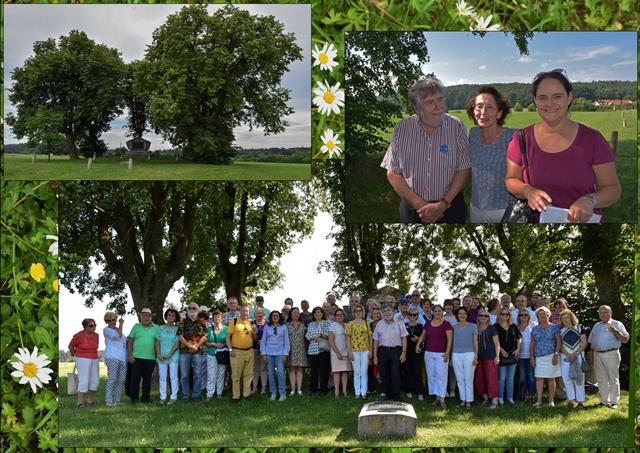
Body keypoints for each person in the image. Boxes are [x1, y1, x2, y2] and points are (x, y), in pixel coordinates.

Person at [505, 68, 621, 223]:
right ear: (535, 100)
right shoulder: (522, 138)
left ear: (569, 97)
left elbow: (613, 189)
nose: (550, 103)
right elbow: (511, 180)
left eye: (557, 96)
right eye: (543, 97)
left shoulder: (593, 140)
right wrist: (527, 191)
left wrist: (590, 200)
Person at [381, 76, 471, 223]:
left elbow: (463, 168)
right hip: (414, 210)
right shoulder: (402, 129)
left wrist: (443, 204)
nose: (439, 106)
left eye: (440, 99)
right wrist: (420, 205)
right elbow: (393, 172)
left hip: (451, 207)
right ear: (417, 109)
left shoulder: (456, 126)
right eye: (430, 102)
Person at [466, 86, 517, 222]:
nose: (483, 112)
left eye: (489, 107)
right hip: (476, 208)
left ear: (499, 113)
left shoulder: (513, 137)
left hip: (504, 210)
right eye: (479, 106)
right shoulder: (473, 134)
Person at [588, 304, 629, 409]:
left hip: (612, 353)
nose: (603, 314)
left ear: (610, 313)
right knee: (601, 378)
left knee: (613, 378)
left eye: (606, 312)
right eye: (601, 312)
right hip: (598, 354)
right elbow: (591, 342)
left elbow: (625, 339)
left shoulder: (617, 324)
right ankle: (604, 400)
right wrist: (593, 357)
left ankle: (614, 401)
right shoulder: (596, 326)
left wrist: (615, 331)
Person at [416, 304, 453, 408]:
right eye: (435, 311)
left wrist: (447, 353)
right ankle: (436, 398)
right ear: (433, 312)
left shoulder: (447, 324)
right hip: (429, 353)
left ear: (442, 312)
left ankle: (442, 399)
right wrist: (418, 345)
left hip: (441, 354)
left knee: (441, 376)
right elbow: (423, 336)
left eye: (439, 311)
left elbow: (450, 340)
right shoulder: (428, 324)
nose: (437, 313)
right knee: (432, 376)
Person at [373, 303, 408, 401]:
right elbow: (375, 341)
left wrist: (404, 352)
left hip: (396, 351)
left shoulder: (399, 323)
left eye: (389, 310)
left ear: (393, 311)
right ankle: (388, 395)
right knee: (384, 374)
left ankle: (396, 396)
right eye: (385, 311)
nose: (387, 312)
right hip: (383, 351)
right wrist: (375, 356)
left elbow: (404, 337)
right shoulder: (379, 324)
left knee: (395, 373)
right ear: (382, 313)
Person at [530, 306, 562, 407]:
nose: (542, 316)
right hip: (539, 357)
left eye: (544, 314)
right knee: (539, 378)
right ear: (537, 317)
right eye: (540, 315)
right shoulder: (535, 329)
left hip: (551, 356)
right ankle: (539, 400)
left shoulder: (554, 327)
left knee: (551, 379)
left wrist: (556, 354)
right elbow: (532, 344)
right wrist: (532, 357)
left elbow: (559, 341)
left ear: (548, 315)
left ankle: (551, 400)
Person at [177, 302, 207, 402]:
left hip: (198, 352)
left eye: (194, 308)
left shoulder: (202, 322)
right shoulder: (183, 322)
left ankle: (196, 396)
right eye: (189, 308)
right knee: (184, 375)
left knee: (197, 375)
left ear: (198, 310)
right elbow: (180, 336)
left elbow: (205, 336)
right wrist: (190, 346)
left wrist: (196, 346)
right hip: (184, 352)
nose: (191, 309)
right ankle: (185, 396)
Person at [226, 304, 256, 402]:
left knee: (249, 374)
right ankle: (236, 396)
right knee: (236, 375)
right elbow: (227, 337)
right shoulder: (234, 321)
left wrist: (255, 332)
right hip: (236, 351)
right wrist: (230, 350)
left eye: (247, 311)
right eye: (243, 310)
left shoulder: (251, 323)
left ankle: (247, 394)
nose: (245, 312)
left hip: (249, 351)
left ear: (249, 312)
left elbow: (254, 338)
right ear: (240, 311)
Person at [127, 308, 158, 403]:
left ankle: (146, 398)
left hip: (151, 358)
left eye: (148, 316)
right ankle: (134, 398)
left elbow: (158, 342)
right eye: (143, 316)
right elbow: (130, 341)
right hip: (136, 357)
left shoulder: (157, 328)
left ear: (151, 317)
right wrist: (130, 355)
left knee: (147, 379)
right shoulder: (136, 327)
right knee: (135, 378)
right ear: (140, 316)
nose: (146, 318)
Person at [559, 309, 587, 409]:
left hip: (578, 356)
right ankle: (570, 401)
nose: (565, 320)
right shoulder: (560, 330)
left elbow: (584, 343)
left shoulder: (579, 328)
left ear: (571, 317)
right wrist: (568, 354)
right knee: (567, 379)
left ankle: (580, 402)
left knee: (579, 379)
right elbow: (560, 345)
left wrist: (576, 353)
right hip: (565, 357)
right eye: (563, 318)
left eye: (567, 317)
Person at [69, 318, 99, 408]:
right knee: (84, 380)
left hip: (94, 359)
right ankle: (80, 402)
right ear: (85, 327)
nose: (94, 327)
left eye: (95, 325)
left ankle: (90, 400)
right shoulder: (78, 336)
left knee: (95, 381)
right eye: (91, 325)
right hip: (82, 359)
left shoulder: (96, 335)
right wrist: (75, 356)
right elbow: (70, 346)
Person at [451, 307, 478, 408]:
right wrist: (450, 356)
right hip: (456, 354)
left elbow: (476, 342)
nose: (462, 315)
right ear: (457, 315)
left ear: (467, 315)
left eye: (464, 313)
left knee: (468, 378)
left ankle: (469, 400)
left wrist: (476, 355)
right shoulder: (454, 327)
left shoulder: (473, 326)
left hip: (469, 354)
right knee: (460, 379)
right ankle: (463, 399)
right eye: (460, 313)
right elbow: (452, 342)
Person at [260, 311, 290, 401]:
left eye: (277, 315)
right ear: (271, 317)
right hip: (269, 353)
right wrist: (263, 353)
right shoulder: (267, 327)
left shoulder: (284, 327)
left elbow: (287, 342)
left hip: (280, 353)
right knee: (271, 374)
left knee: (280, 373)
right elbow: (263, 341)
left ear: (280, 317)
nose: (275, 317)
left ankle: (282, 394)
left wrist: (285, 354)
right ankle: (273, 393)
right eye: (273, 316)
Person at [474, 309, 500, 409]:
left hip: (490, 356)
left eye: (485, 316)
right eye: (481, 315)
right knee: (478, 379)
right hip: (478, 357)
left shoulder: (491, 328)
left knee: (491, 379)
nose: (483, 317)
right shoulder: (475, 328)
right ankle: (485, 397)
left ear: (488, 318)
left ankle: (494, 401)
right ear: (478, 317)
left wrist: (497, 356)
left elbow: (497, 343)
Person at [346, 304, 373, 399]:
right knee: (357, 372)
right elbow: (348, 339)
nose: (358, 312)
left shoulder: (367, 323)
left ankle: (364, 392)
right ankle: (357, 392)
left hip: (365, 350)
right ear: (354, 313)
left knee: (364, 372)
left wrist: (371, 350)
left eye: (360, 311)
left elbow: (370, 338)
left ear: (362, 312)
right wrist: (349, 352)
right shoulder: (350, 324)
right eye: (356, 311)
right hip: (354, 351)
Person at [495, 308, 521, 405]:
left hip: (513, 355)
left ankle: (510, 398)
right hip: (501, 355)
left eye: (507, 314)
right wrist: (501, 351)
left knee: (510, 378)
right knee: (502, 378)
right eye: (503, 314)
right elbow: (495, 341)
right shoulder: (496, 326)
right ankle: (500, 397)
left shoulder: (513, 326)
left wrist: (518, 349)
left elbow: (519, 338)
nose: (505, 316)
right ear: (500, 315)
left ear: (510, 316)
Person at [155, 308, 180, 404]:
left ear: (175, 318)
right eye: (169, 314)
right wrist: (158, 354)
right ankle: (163, 397)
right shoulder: (160, 328)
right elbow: (157, 342)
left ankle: (173, 397)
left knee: (173, 377)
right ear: (166, 316)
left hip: (173, 356)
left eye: (173, 315)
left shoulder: (177, 329)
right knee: (162, 377)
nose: (170, 316)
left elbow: (177, 342)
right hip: (161, 356)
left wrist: (170, 354)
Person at [103, 312, 127, 407]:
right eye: (109, 320)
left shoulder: (118, 329)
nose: (112, 322)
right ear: (106, 321)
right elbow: (118, 337)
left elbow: (124, 341)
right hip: (112, 357)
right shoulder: (106, 330)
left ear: (116, 319)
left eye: (113, 319)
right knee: (112, 379)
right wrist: (121, 324)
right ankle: (108, 401)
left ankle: (117, 400)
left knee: (121, 379)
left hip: (122, 358)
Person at [305, 306, 331, 394]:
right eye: (315, 312)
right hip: (312, 351)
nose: (317, 314)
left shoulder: (327, 322)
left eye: (319, 312)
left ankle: (324, 389)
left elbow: (328, 334)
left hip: (323, 350)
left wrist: (319, 335)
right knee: (314, 371)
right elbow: (307, 336)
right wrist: (316, 337)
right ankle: (313, 389)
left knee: (324, 371)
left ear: (322, 313)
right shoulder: (310, 324)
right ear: (313, 314)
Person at [402, 307, 425, 401]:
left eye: (414, 314)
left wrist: (418, 339)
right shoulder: (404, 325)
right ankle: (409, 390)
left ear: (417, 316)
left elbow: (424, 338)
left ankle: (420, 392)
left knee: (417, 371)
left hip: (416, 352)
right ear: (408, 315)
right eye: (410, 314)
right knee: (407, 371)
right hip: (407, 351)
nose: (412, 316)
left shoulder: (420, 326)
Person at [329, 308, 352, 397]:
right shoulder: (333, 325)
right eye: (338, 315)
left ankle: (345, 391)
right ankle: (337, 392)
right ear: (335, 317)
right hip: (336, 353)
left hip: (346, 352)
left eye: (341, 315)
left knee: (345, 372)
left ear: (344, 316)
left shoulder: (347, 325)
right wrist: (337, 352)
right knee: (337, 372)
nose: (340, 316)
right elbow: (331, 340)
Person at [205, 310, 228, 400]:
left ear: (222, 318)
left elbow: (229, 341)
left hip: (222, 354)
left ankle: (219, 393)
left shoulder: (226, 329)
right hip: (211, 354)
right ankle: (210, 394)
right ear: (212, 318)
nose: (217, 318)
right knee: (211, 374)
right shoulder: (209, 329)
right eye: (215, 317)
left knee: (221, 374)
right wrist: (214, 344)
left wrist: (224, 344)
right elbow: (205, 342)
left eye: (218, 317)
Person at [287, 307, 308, 396]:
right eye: (294, 313)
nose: (296, 314)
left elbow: (307, 337)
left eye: (297, 313)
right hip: (290, 350)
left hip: (301, 350)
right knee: (292, 369)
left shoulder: (303, 325)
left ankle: (299, 389)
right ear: (291, 315)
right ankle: (292, 389)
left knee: (300, 369)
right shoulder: (286, 325)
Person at [516, 309, 536, 401]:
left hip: (531, 355)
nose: (523, 316)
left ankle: (532, 395)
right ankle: (523, 395)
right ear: (519, 317)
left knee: (531, 376)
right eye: (521, 315)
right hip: (520, 357)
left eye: (525, 315)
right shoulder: (516, 327)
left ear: (529, 316)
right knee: (522, 377)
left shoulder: (534, 325)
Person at [252, 308, 268, 395]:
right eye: (257, 313)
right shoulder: (251, 323)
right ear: (254, 315)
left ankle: (263, 387)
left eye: (261, 313)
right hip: (254, 348)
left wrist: (263, 341)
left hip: (265, 349)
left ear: (263, 314)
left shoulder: (268, 324)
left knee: (263, 368)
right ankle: (254, 387)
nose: (259, 315)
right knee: (254, 368)